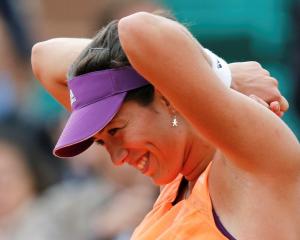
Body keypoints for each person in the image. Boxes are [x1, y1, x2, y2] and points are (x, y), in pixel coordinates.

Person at [31, 11, 299, 240]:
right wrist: (208, 73)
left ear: (165, 97)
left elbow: (139, 30)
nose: (116, 158)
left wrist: (215, 74)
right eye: (102, 141)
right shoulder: (177, 181)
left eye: (116, 130)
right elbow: (43, 57)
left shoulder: (250, 163)